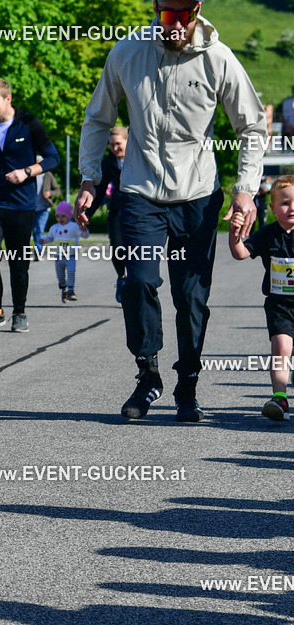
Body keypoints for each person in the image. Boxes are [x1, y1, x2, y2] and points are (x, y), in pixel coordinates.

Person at [75, 0, 267, 422]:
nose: (175, 24)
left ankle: (187, 385)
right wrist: (89, 177)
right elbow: (98, 118)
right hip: (140, 191)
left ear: (197, 9)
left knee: (191, 298)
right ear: (156, 9)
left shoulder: (218, 58)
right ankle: (148, 374)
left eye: (183, 14)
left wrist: (246, 190)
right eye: (166, 14)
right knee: (138, 282)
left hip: (197, 195)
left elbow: (252, 126)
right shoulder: (128, 51)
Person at [0, 78, 60, 335]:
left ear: (8, 99)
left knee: (19, 263)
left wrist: (27, 171)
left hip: (22, 204)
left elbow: (53, 157)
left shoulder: (28, 123)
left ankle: (19, 312)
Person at [229, 175, 294, 421]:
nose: (292, 208)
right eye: (285, 203)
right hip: (280, 305)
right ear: (273, 208)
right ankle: (280, 398)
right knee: (281, 348)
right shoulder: (268, 234)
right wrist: (234, 234)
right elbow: (241, 253)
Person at [85, 126, 128, 303]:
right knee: (118, 247)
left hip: (139, 210)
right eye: (111, 145)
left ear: (128, 141)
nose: (115, 148)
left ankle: (137, 283)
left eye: (118, 144)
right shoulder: (108, 163)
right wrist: (87, 214)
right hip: (117, 210)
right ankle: (122, 278)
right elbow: (100, 190)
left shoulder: (139, 159)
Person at [41, 201, 90, 303]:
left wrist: (84, 229)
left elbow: (85, 235)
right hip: (58, 257)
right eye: (57, 216)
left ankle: (71, 291)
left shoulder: (74, 226)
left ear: (69, 215)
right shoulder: (54, 228)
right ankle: (64, 288)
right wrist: (44, 240)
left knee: (71, 272)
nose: (60, 219)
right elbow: (50, 238)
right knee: (60, 277)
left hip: (70, 256)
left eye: (63, 216)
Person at [32, 157, 61, 255]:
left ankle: (38, 252)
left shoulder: (48, 175)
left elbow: (58, 190)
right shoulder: (30, 175)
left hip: (44, 207)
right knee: (33, 230)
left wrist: (49, 193)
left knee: (39, 230)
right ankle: (35, 250)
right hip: (31, 207)